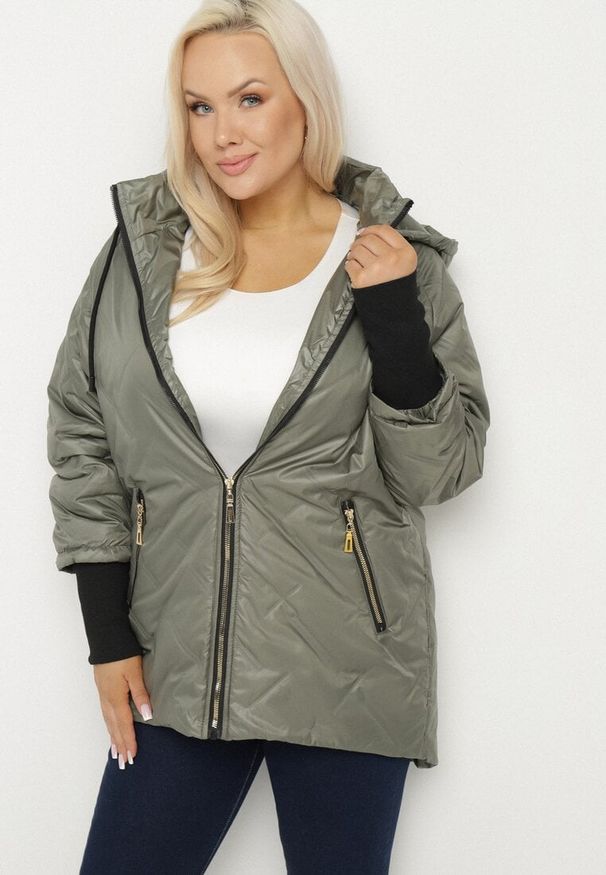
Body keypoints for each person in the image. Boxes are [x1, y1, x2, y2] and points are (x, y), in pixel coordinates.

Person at [45, 0, 491, 872]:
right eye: (200, 106)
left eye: (250, 98)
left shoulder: (393, 259)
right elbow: (82, 428)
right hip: (173, 662)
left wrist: (393, 319)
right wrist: (108, 634)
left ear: (306, 101)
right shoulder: (142, 254)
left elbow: (441, 472)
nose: (223, 133)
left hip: (350, 668)